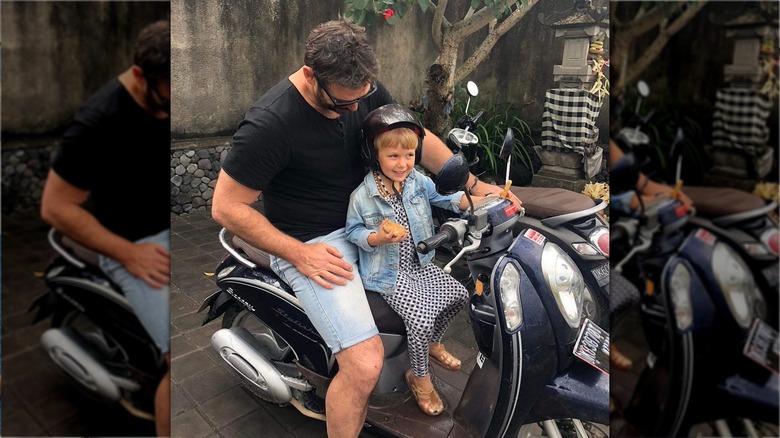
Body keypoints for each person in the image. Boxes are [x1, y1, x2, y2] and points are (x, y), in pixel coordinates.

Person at [210, 19, 521, 437]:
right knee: (365, 362)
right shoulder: (271, 124)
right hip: (315, 242)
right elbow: (227, 206)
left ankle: (417, 363)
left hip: (376, 214)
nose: (356, 110)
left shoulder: (361, 90)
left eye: (362, 98)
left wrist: (474, 187)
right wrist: (299, 254)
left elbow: (414, 135)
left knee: (446, 290)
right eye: (342, 104)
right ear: (309, 76)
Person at [40, 20, 171, 437]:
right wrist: (127, 253)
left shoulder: (166, 96)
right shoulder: (98, 122)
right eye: (167, 100)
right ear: (139, 76)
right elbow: (56, 206)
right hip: (135, 244)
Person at [345, 105, 478, 416]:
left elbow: (444, 198)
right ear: (374, 154)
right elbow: (353, 231)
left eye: (409, 155)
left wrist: (476, 201)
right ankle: (419, 377)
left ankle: (432, 344)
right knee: (420, 318)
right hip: (387, 273)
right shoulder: (362, 196)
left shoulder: (417, 181)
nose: (402, 163)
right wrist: (376, 237)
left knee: (459, 294)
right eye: (393, 156)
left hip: (419, 263)